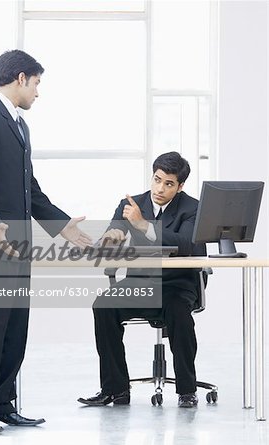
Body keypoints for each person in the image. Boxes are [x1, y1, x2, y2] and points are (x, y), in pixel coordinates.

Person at [0, 49, 91, 434]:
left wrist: (61, 225)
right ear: (20, 78)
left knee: (14, 329)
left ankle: (1, 405)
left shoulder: (20, 126)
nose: (39, 92)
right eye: (37, 83)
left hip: (17, 247)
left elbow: (30, 190)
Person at [78, 151, 206, 408]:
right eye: (157, 180)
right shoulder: (131, 204)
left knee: (178, 311)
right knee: (103, 305)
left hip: (177, 285)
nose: (160, 188)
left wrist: (143, 225)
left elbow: (187, 244)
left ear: (180, 186)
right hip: (139, 283)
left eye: (168, 184)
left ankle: (187, 390)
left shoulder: (193, 208)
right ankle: (115, 390)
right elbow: (110, 238)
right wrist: (109, 239)